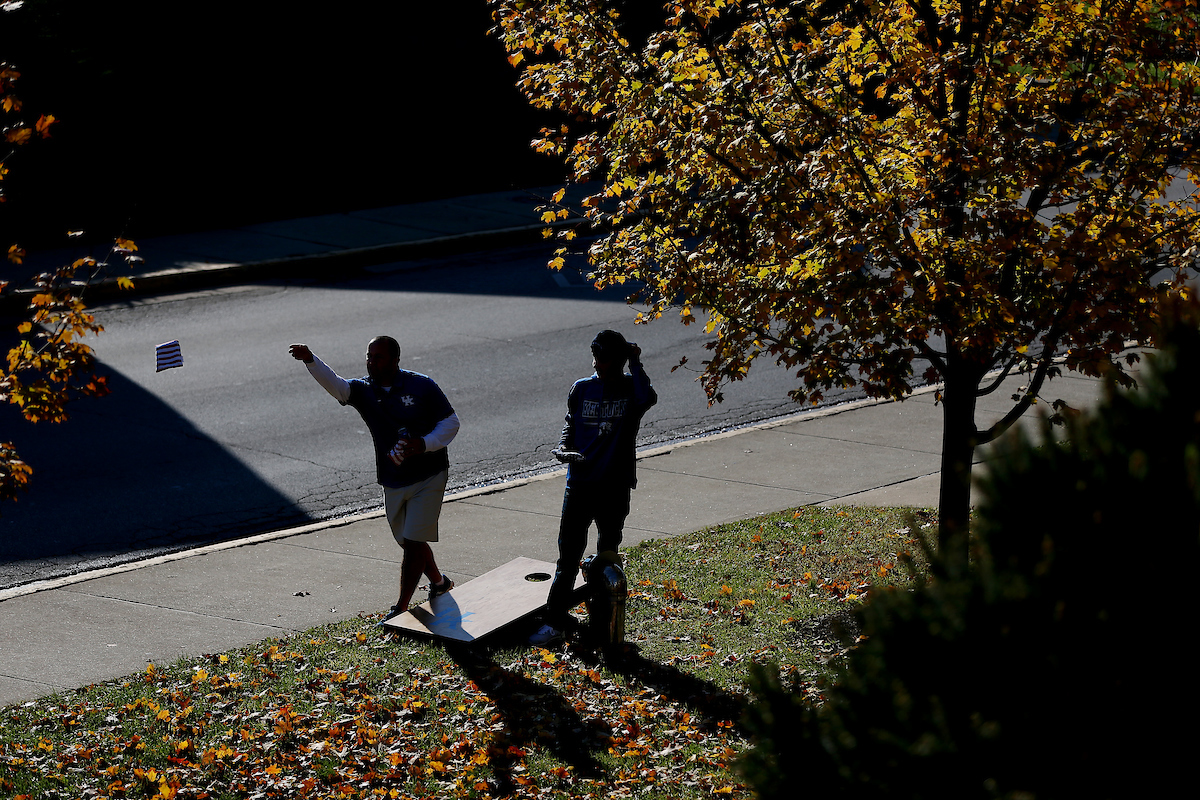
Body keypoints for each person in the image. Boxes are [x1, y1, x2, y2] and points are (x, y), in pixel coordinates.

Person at [289, 336, 459, 622]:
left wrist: (426, 443)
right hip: (393, 478)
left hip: (429, 475)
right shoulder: (364, 390)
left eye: (378, 357)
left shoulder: (422, 385)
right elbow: (337, 385)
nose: (371, 362)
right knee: (408, 541)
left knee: (415, 541)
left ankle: (401, 607)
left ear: (395, 360)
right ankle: (441, 583)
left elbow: (451, 422)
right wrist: (310, 359)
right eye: (369, 356)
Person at [530, 329, 657, 645]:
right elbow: (570, 425)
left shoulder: (630, 390)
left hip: (613, 488)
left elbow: (648, 397)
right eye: (595, 356)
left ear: (619, 360)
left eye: (604, 357)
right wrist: (562, 449)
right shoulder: (581, 389)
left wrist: (637, 362)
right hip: (579, 487)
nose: (597, 363)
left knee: (607, 554)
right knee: (567, 558)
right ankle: (555, 621)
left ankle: (605, 617)